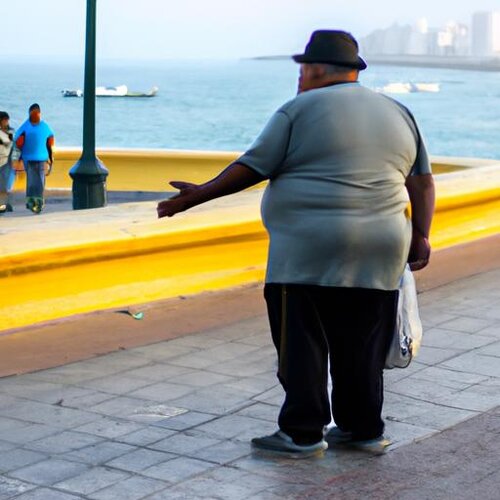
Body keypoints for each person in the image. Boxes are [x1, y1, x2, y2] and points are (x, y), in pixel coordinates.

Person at [156, 30, 435, 458]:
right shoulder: (398, 111)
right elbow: (421, 180)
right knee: (361, 343)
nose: (299, 76)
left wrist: (196, 197)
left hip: (306, 254)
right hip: (380, 250)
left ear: (319, 69)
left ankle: (303, 433)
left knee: (301, 341)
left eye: (303, 68)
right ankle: (363, 430)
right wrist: (421, 235)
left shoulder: (297, 109)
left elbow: (252, 166)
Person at [14, 103, 54, 213]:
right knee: (40, 180)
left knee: (32, 180)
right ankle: (38, 202)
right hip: (39, 158)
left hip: (30, 158)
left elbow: (16, 140)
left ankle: (32, 202)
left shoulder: (25, 126)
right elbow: (51, 140)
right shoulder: (45, 126)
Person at [0, 111, 16, 214]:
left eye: (7, 120)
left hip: (7, 161)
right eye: (4, 120)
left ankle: (4, 205)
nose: (6, 122)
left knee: (5, 185)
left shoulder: (10, 132)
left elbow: (11, 144)